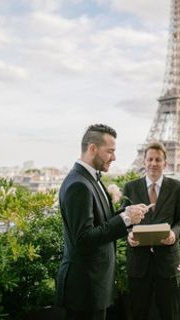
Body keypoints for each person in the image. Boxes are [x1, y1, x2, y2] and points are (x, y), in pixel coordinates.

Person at [55, 123, 149, 320]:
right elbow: (83, 238)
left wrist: (127, 212)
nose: (114, 157)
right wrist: (124, 219)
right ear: (92, 149)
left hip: (93, 286)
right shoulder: (78, 185)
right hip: (85, 289)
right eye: (110, 151)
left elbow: (101, 222)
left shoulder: (89, 180)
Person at [123, 141, 180, 320]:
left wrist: (174, 234)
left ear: (165, 163)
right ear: (144, 161)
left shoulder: (177, 188)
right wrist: (129, 235)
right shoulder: (130, 187)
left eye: (158, 160)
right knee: (138, 313)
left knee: (170, 314)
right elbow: (125, 221)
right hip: (138, 263)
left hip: (167, 263)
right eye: (150, 159)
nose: (153, 163)